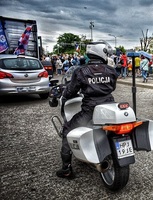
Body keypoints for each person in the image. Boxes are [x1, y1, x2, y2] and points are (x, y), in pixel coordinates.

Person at [56, 41, 118, 178]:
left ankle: (66, 168)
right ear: (102, 53)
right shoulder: (111, 70)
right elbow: (112, 87)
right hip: (109, 106)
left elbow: (71, 91)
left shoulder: (81, 71)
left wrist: (64, 94)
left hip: (90, 109)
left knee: (67, 129)